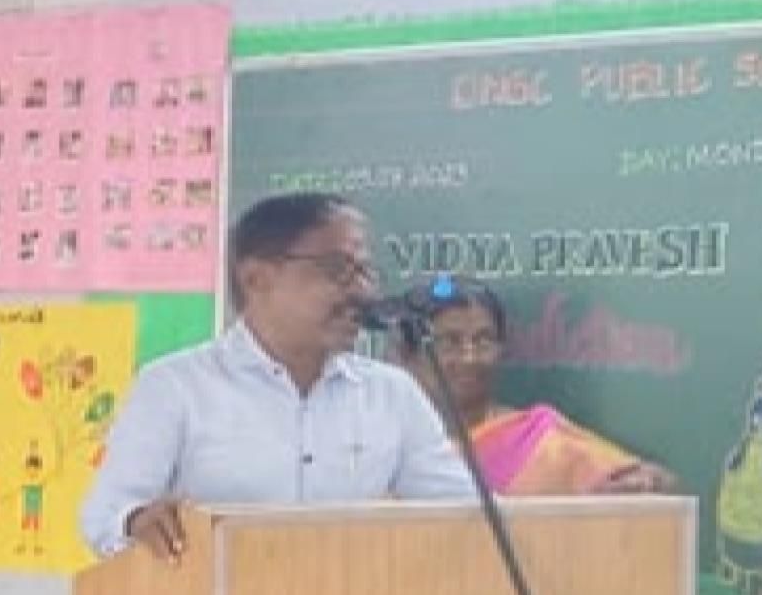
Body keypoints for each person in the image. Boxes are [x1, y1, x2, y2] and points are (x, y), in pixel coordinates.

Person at [80, 192, 476, 561]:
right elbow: (104, 517)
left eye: (365, 271)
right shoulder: (175, 388)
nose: (361, 290)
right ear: (256, 279)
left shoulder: (391, 394)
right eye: (338, 269)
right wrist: (136, 522)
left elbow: (467, 514)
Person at [400, 273, 677, 497]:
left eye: (483, 341)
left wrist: (649, 482)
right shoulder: (384, 443)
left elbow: (651, 485)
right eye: (449, 342)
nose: (469, 357)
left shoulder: (535, 438)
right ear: (406, 357)